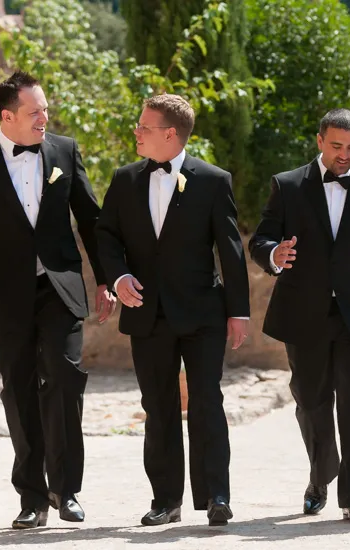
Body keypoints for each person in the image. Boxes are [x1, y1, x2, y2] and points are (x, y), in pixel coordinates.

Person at [0, 70, 115, 529]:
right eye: (35, 111)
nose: (45, 117)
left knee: (64, 377)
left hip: (60, 288)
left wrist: (105, 279)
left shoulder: (64, 150)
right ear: (8, 116)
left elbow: (91, 219)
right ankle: (32, 498)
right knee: (18, 392)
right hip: (4, 295)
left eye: (45, 109)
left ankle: (67, 489)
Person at [95, 94, 250, 526]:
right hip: (147, 314)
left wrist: (239, 311)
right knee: (158, 407)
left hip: (203, 314)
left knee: (206, 403)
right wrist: (118, 277)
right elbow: (106, 236)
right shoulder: (124, 180)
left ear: (170, 134)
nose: (136, 132)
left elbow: (231, 250)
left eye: (143, 126)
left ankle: (216, 496)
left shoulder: (214, 180)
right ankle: (165, 500)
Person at [249, 109, 350, 523]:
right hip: (304, 315)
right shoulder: (287, 186)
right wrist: (274, 255)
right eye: (337, 146)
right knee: (311, 401)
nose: (345, 155)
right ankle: (321, 476)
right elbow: (261, 238)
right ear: (320, 141)